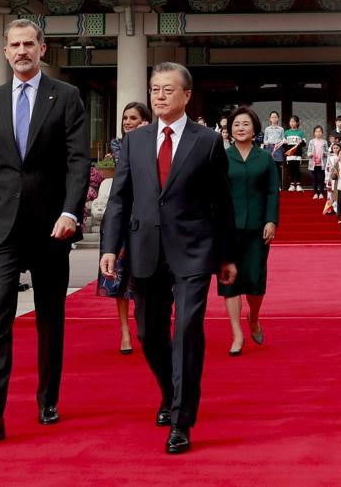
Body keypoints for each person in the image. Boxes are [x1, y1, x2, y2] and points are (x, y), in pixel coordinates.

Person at [100, 62, 236, 455]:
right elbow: (119, 199)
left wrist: (226, 255)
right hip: (144, 250)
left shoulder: (207, 140)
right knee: (149, 334)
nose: (159, 96)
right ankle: (170, 391)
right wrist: (110, 248)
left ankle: (181, 421)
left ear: (187, 96)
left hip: (193, 250)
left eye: (168, 90)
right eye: (154, 90)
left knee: (188, 330)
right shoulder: (135, 141)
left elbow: (222, 203)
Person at [0, 19, 90, 441]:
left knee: (50, 317)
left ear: (42, 48)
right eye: (14, 45)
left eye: (28, 44)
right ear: (4, 52)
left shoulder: (67, 97)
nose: (21, 51)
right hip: (1, 226)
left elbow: (78, 162)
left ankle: (47, 398)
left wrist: (71, 212)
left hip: (52, 226)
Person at [221, 107, 279, 356]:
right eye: (236, 124)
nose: (241, 128)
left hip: (258, 228)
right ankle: (236, 334)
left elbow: (272, 192)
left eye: (245, 124)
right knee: (229, 281)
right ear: (230, 130)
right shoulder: (222, 157)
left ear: (255, 129)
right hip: (228, 228)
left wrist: (271, 221)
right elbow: (216, 193)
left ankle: (253, 317)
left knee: (255, 281)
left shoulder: (264, 158)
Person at [98, 101, 151, 355]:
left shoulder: (155, 144)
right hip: (120, 219)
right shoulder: (119, 145)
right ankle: (124, 332)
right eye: (125, 118)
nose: (128, 122)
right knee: (119, 278)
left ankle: (144, 324)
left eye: (134, 118)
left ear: (145, 121)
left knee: (144, 276)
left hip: (146, 217)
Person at [283, 115, 306, 191]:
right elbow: (283, 145)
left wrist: (301, 142)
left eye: (293, 121)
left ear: (297, 123)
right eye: (291, 121)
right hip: (290, 154)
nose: (292, 123)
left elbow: (304, 143)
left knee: (297, 169)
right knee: (291, 169)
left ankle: (298, 185)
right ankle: (292, 184)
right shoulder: (286, 132)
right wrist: (285, 143)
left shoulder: (300, 132)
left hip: (298, 154)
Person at [308, 126, 327, 200]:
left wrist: (324, 153)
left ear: (322, 133)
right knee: (314, 179)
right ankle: (315, 193)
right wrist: (310, 154)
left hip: (322, 164)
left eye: (320, 131)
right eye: (316, 131)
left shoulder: (324, 142)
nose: (318, 133)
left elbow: (327, 152)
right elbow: (308, 152)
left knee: (321, 179)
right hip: (313, 164)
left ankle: (321, 193)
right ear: (314, 133)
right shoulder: (311, 141)